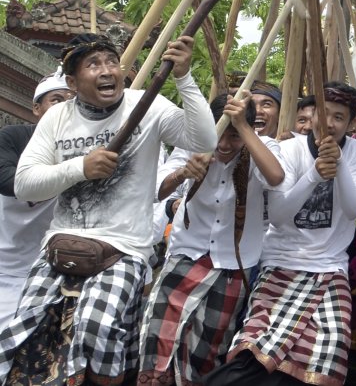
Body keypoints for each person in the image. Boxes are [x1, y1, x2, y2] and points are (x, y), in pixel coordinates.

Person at [0, 33, 216, 386]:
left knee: (96, 329)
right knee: (25, 330)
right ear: (72, 82)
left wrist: (184, 77)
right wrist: (80, 168)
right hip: (61, 244)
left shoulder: (148, 105)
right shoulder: (57, 118)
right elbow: (24, 183)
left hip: (124, 249)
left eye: (111, 62)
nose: (106, 71)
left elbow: (204, 140)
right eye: (94, 64)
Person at [210, 83, 356, 386]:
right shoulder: (289, 149)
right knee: (260, 348)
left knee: (330, 347)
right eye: (325, 115)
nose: (331, 124)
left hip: (330, 267)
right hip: (282, 262)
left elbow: (353, 210)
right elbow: (281, 217)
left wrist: (338, 165)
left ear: (350, 124)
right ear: (309, 117)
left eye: (340, 117)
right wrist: (313, 176)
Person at [136, 93, 285, 385]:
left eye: (234, 136)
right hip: (186, 253)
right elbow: (157, 190)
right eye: (221, 134)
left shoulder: (263, 146)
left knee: (207, 346)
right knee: (157, 333)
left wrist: (243, 128)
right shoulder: (192, 140)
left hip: (233, 264)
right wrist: (183, 173)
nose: (225, 145)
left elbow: (276, 177)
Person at [0, 73, 74, 320]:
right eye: (56, 100)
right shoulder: (12, 138)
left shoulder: (84, 149)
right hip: (5, 267)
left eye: (73, 100)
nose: (65, 107)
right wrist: (77, 170)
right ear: (36, 108)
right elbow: (11, 183)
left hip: (49, 271)